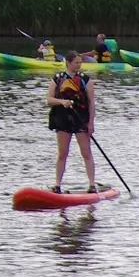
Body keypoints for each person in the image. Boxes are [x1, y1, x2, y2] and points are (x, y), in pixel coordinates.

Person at [46, 51, 98, 194]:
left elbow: (91, 103)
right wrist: (62, 102)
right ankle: (57, 185)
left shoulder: (85, 80)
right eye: (76, 63)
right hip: (63, 119)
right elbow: (49, 100)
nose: (79, 65)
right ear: (68, 63)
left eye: (80, 63)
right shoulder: (57, 79)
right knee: (63, 153)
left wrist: (91, 123)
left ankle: (92, 184)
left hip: (80, 119)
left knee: (86, 152)